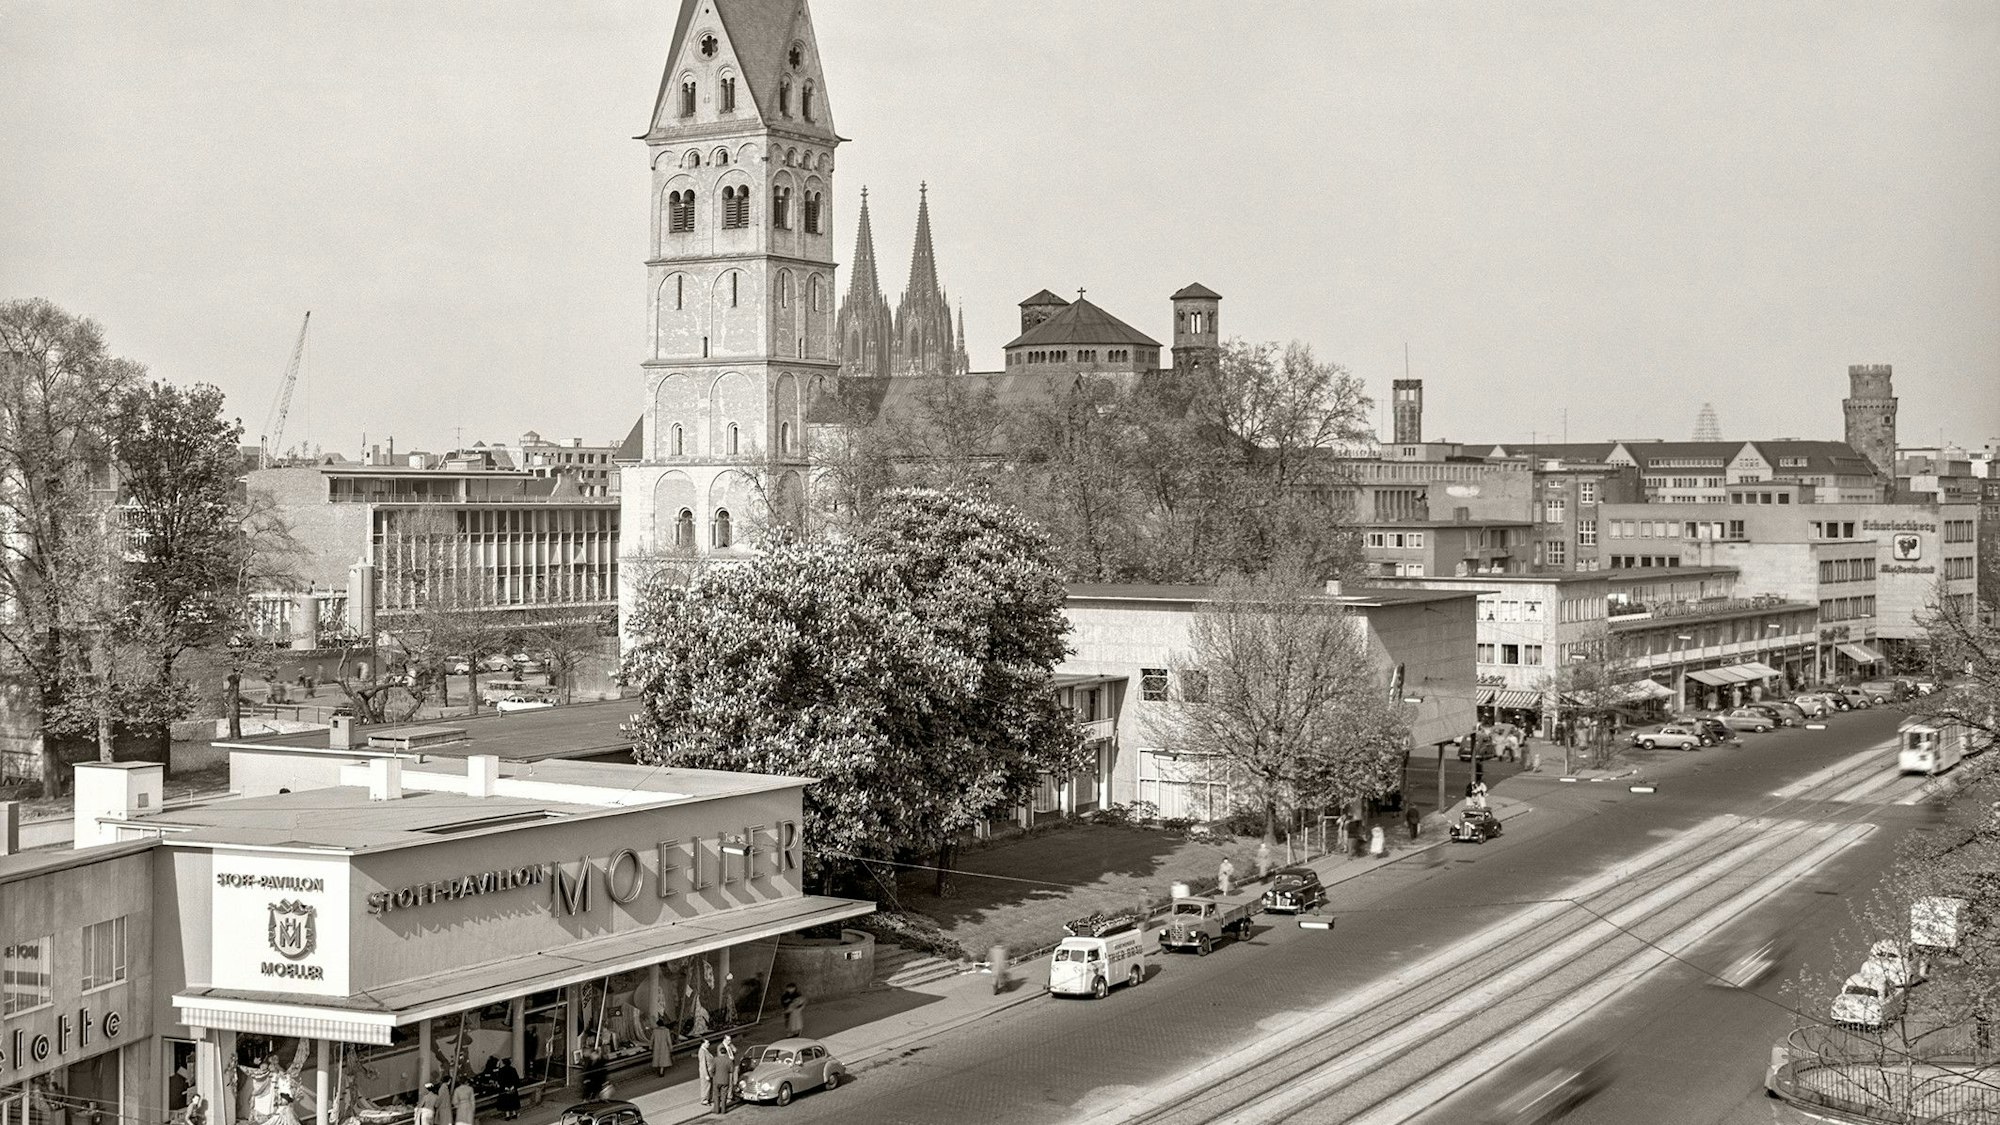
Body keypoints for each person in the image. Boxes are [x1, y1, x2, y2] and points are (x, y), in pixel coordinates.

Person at [711, 1036, 737, 1114]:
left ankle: (716, 1110)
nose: (730, 1041)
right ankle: (723, 1110)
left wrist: (713, 1075)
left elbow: (712, 1069)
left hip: (717, 1080)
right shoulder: (728, 1060)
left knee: (716, 1095)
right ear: (725, 1052)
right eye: (728, 1040)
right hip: (725, 1080)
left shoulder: (715, 1059)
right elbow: (732, 1070)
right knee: (724, 1095)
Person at [696, 1040, 715, 1106]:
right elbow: (703, 1064)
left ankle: (709, 1098)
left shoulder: (705, 1050)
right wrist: (706, 1075)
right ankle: (704, 1100)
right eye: (707, 1043)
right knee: (706, 1086)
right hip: (706, 1073)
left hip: (710, 1072)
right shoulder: (702, 1051)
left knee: (709, 1086)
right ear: (703, 1044)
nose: (709, 1044)